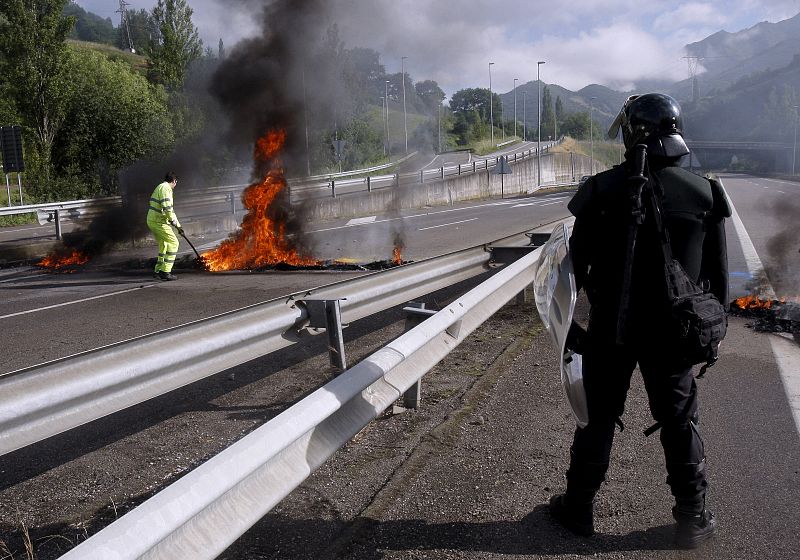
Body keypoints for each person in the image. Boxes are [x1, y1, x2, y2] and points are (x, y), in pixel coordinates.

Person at [548, 93, 731, 549]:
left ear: (631, 134)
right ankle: (692, 517)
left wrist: (576, 327)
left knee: (597, 419)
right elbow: (718, 279)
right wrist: (710, 334)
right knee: (680, 421)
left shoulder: (601, 190)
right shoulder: (705, 192)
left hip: (611, 328)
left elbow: (572, 270)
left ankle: (578, 507)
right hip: (676, 331)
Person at [146, 172, 183, 281]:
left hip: (153, 220)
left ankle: (158, 271)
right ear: (174, 181)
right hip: (158, 222)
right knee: (174, 243)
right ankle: (166, 271)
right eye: (176, 182)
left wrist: (179, 227)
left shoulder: (160, 187)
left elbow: (169, 211)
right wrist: (174, 223)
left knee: (164, 244)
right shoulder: (166, 189)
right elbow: (168, 209)